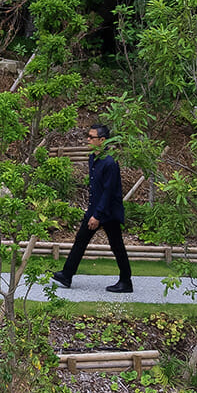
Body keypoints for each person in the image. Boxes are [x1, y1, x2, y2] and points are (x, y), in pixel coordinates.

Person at [50, 124, 133, 293]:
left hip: (108, 212)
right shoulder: (93, 158)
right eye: (87, 136)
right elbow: (96, 190)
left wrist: (97, 215)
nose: (87, 139)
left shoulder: (110, 163)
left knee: (117, 245)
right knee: (81, 240)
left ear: (102, 140)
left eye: (91, 137)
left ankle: (126, 281)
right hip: (95, 209)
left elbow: (109, 192)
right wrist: (92, 212)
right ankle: (67, 275)